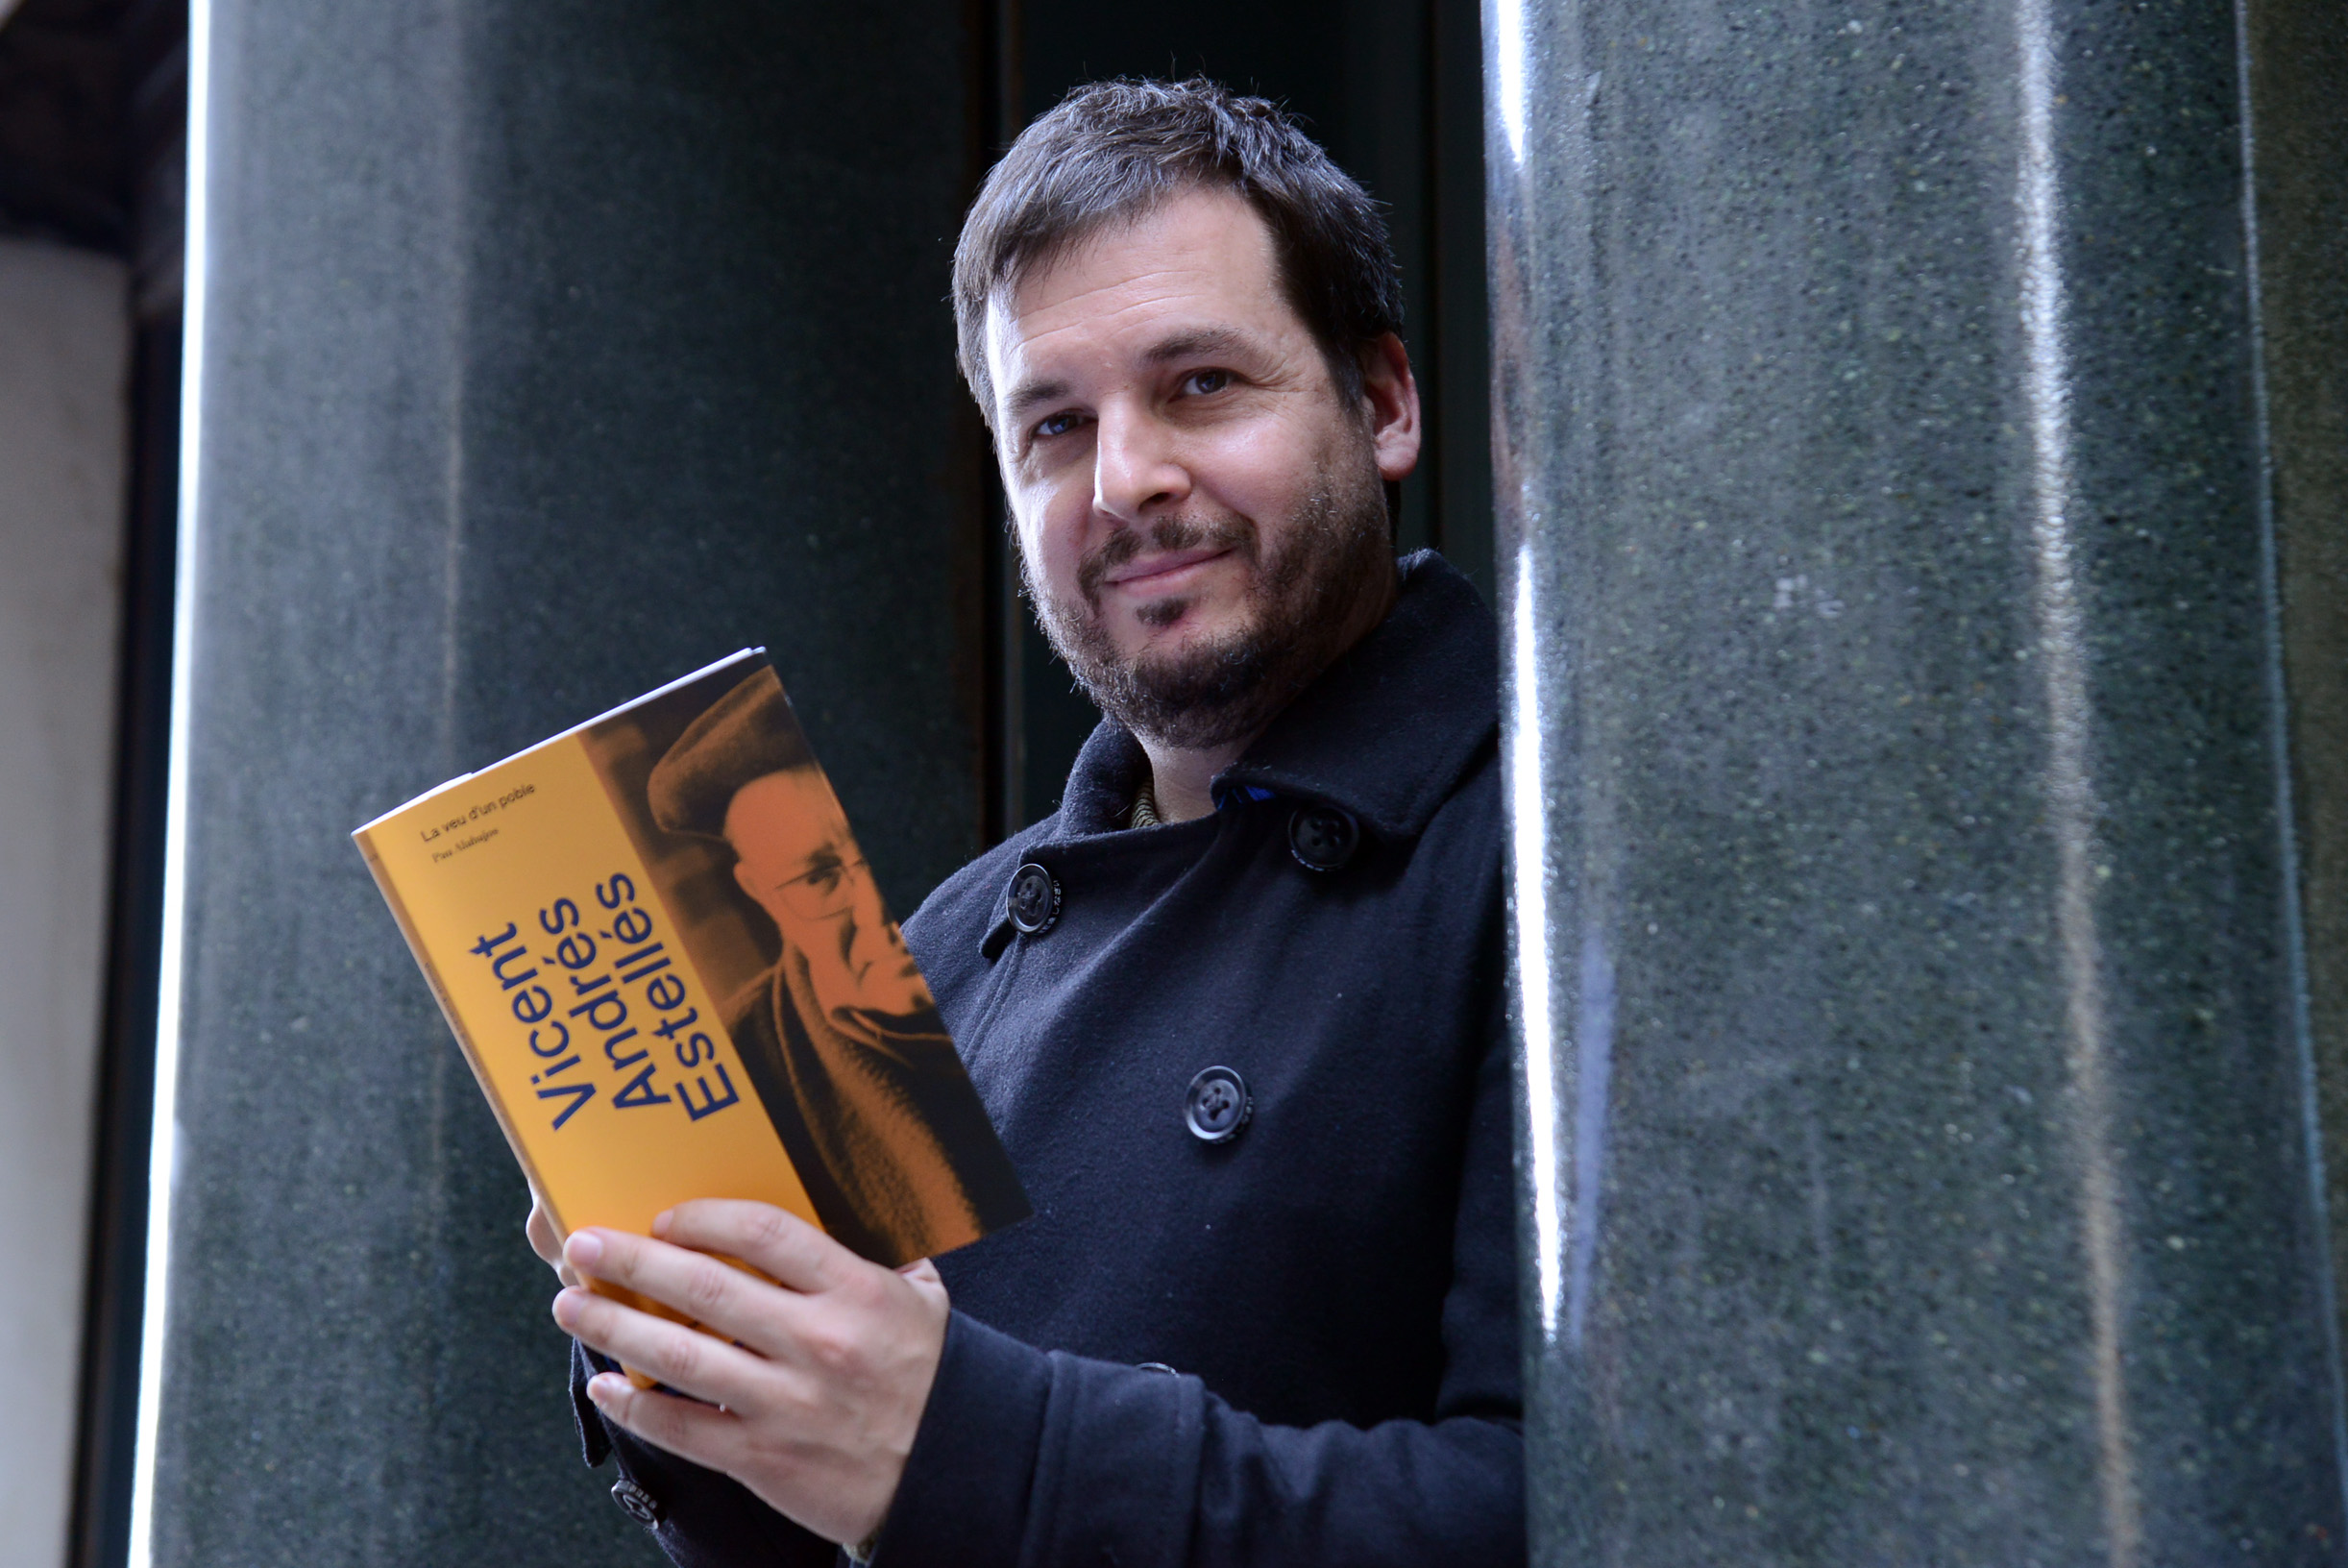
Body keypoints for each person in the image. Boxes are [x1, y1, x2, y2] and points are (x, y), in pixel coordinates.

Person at [529, 78, 1524, 1566]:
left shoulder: (1564, 858)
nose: (1126, 481)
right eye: (1055, 424)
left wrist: (964, 1445)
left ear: (1381, 404)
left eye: (1201, 384)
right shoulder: (937, 950)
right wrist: (680, 1338)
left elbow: (1576, 1515)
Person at [641, 666, 1028, 1265]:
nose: (873, 915)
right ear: (760, 893)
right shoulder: (736, 1067)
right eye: (819, 878)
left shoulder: (990, 918)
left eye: (865, 863)